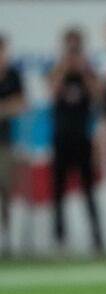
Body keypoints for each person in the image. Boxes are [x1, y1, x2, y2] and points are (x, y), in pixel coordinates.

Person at [49, 28, 103, 252]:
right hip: (62, 140)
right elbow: (52, 93)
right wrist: (64, 67)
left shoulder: (87, 71)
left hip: (82, 139)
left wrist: (83, 69)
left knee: (89, 192)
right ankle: (59, 239)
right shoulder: (58, 70)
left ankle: (97, 239)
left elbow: (97, 96)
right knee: (58, 193)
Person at [0, 35, 25, 256]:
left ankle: (8, 242)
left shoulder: (12, 75)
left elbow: (20, 105)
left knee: (7, 193)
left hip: (5, 143)